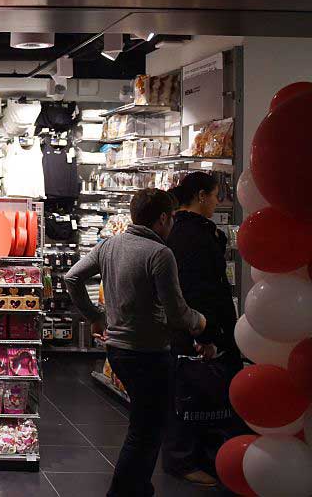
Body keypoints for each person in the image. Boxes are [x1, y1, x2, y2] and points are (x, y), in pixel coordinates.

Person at [64, 188, 215, 497]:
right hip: (148, 353)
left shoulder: (109, 245)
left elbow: (72, 278)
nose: (173, 224)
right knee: (146, 433)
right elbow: (177, 313)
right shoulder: (160, 254)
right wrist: (202, 325)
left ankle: (139, 489)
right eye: (172, 217)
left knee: (143, 426)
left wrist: (95, 316)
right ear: (162, 218)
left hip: (117, 350)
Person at [163, 172, 242, 486]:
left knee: (188, 391)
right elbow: (202, 287)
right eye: (213, 194)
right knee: (195, 391)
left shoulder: (175, 229)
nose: (217, 201)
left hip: (186, 324)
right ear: (199, 196)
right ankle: (185, 459)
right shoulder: (197, 234)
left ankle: (190, 455)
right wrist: (206, 333)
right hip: (199, 325)